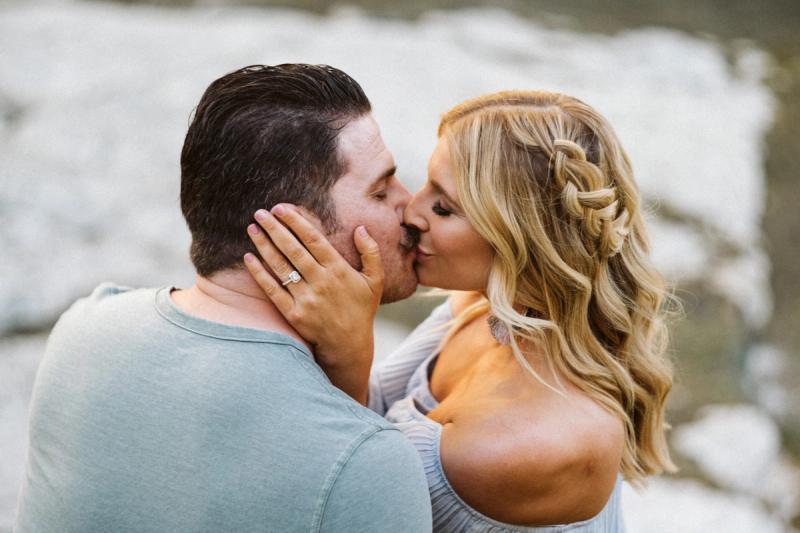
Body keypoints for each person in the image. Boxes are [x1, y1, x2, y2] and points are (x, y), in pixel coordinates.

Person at [14, 64, 432, 532]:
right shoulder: (369, 461)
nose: (411, 206)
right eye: (381, 190)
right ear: (295, 230)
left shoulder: (83, 330)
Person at [244, 90, 677, 532]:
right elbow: (377, 410)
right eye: (426, 184)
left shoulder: (540, 442)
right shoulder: (477, 309)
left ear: (519, 235)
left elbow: (352, 500)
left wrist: (350, 348)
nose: (411, 212)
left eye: (443, 207)